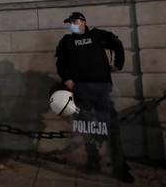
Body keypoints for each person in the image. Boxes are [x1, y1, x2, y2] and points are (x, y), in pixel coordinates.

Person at [55, 12, 133, 183]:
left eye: (75, 21)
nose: (72, 24)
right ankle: (93, 160)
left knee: (111, 128)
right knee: (86, 128)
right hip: (80, 91)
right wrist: (66, 78)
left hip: (101, 89)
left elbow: (117, 44)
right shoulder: (67, 41)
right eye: (70, 22)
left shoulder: (97, 35)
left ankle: (120, 166)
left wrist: (118, 65)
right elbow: (60, 63)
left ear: (83, 22)